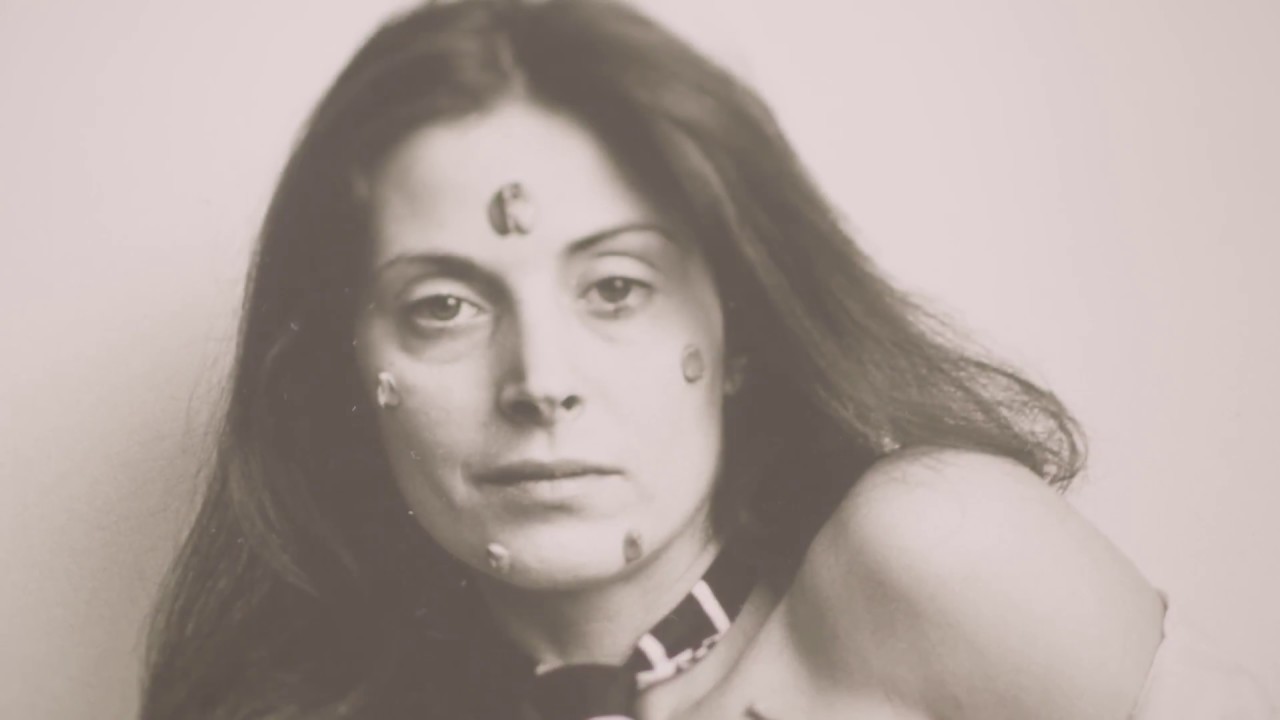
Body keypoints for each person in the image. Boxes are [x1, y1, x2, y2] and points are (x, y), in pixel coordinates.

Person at [140, 1, 1273, 718]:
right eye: (443, 306)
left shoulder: (939, 555)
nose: (540, 382)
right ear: (343, 366)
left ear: (739, 332)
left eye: (616, 289)